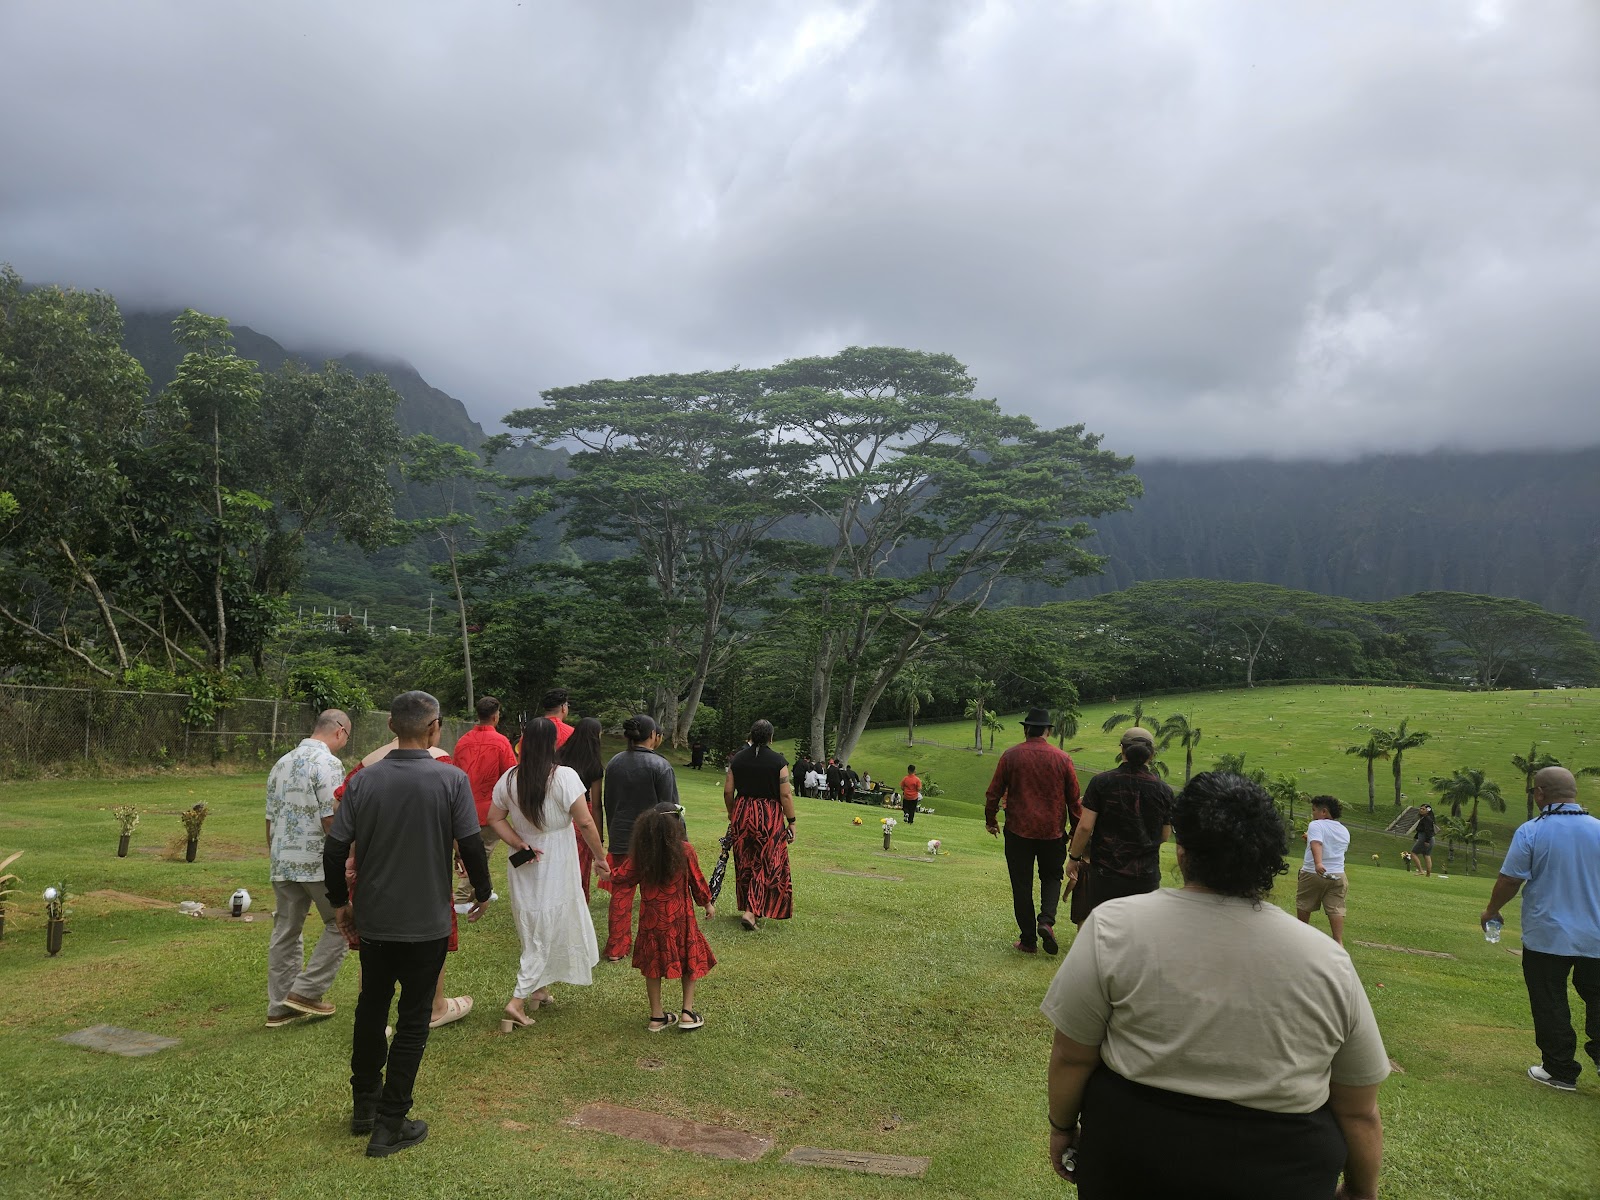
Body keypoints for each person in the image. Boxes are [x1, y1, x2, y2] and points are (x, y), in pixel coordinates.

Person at [1042, 772, 1388, 1199]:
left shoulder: (1114, 927)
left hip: (1132, 1158)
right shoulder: (1327, 960)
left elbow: (1072, 1056)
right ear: (1270, 856)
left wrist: (1062, 1128)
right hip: (1281, 1171)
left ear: (1182, 848)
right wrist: (1361, 1191)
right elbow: (1359, 1110)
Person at [323, 691, 492, 1157]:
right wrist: (482, 890)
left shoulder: (364, 780)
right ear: (435, 727)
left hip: (374, 917)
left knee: (371, 1008)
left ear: (391, 727)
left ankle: (365, 1104)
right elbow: (471, 843)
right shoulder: (451, 779)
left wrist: (340, 902)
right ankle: (391, 1122)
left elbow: (335, 848)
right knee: (413, 1020)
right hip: (426, 920)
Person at [338, 733, 476, 1030]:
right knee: (432, 937)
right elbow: (455, 817)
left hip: (374, 868)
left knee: (373, 945)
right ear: (431, 726)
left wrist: (353, 853)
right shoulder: (441, 761)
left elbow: (343, 810)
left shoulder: (368, 764)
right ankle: (435, 1006)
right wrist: (461, 855)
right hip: (426, 868)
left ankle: (376, 1019)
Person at [1480, 766, 1600, 1092]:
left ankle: (1560, 1069)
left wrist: (1492, 910)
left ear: (1540, 793)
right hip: (1596, 935)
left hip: (1548, 934)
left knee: (1549, 999)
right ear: (1574, 792)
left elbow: (1510, 879)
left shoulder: (1533, 831)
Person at [486, 717, 608, 1028]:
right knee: (545, 925)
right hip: (554, 858)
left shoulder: (510, 778)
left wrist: (519, 843)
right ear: (554, 743)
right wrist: (600, 857)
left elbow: (494, 818)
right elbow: (585, 822)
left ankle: (538, 989)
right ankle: (517, 999)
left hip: (526, 859)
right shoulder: (563, 776)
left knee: (535, 922)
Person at [264, 709, 351, 1027]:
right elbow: (332, 819)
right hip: (317, 861)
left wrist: (275, 855)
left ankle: (279, 1006)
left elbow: (270, 819)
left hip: (282, 859)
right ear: (340, 731)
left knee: (286, 931)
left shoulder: (281, 763)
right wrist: (348, 857)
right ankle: (306, 991)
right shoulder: (329, 763)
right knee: (342, 923)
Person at [607, 803, 716, 1030]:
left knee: (653, 965)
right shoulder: (685, 850)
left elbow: (623, 877)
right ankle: (687, 1013)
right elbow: (697, 881)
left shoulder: (642, 854)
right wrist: (707, 903)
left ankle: (657, 1017)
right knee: (690, 961)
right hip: (681, 919)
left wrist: (607, 872)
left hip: (651, 922)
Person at [985, 707, 1081, 955]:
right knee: (1052, 877)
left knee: (1021, 884)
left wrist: (991, 819)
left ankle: (1028, 940)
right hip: (1052, 832)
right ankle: (1046, 921)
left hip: (1018, 831)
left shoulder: (1011, 756)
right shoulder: (1063, 759)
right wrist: (1076, 829)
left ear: (1026, 729)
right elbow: (1074, 799)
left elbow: (994, 792)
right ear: (1048, 731)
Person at [1064, 727, 1171, 925]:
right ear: (1151, 754)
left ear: (1122, 750)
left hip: (1106, 873)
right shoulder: (1163, 790)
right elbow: (1165, 835)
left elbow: (1085, 827)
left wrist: (1074, 858)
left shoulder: (1101, 782)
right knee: (1138, 931)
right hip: (1145, 875)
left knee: (1106, 929)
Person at [602, 714, 680, 961]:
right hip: (652, 839)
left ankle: (616, 947)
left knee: (621, 892)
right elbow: (670, 808)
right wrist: (680, 840)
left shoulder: (614, 763)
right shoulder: (660, 766)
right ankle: (659, 942)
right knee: (657, 891)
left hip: (621, 835)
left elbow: (609, 802)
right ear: (653, 735)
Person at [723, 719, 797, 931]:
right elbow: (785, 795)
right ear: (770, 738)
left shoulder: (737, 759)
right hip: (768, 814)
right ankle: (751, 910)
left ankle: (750, 906)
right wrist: (791, 821)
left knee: (745, 860)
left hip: (742, 810)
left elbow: (728, 791)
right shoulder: (778, 762)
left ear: (751, 735)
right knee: (768, 862)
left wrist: (732, 813)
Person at [450, 695, 517, 903]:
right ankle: (462, 897)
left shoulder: (463, 741)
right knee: (481, 853)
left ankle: (485, 890)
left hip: (463, 806)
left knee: (473, 849)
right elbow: (510, 774)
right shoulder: (501, 742)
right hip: (489, 807)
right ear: (495, 716)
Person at [559, 717, 606, 901]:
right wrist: (598, 838)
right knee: (580, 867)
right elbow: (596, 805)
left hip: (559, 811)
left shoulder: (559, 755)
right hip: (582, 814)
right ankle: (578, 903)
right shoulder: (594, 765)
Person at [1297, 795, 1352, 946]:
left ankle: (1301, 939)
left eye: (1314, 810)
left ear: (1324, 812)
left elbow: (1317, 843)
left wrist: (1318, 863)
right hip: (1338, 875)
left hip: (1313, 873)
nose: (1313, 813)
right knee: (1336, 908)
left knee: (1304, 904)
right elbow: (1332, 848)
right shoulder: (1344, 830)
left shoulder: (1316, 825)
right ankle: (1338, 941)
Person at [1411, 803, 1436, 877]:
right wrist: (1416, 837)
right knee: (1426, 855)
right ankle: (1428, 874)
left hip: (1424, 839)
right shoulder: (1426, 818)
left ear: (1428, 811)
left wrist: (1426, 841)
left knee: (1413, 853)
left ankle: (1420, 870)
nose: (1421, 810)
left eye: (1423, 809)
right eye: (1421, 808)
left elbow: (1428, 830)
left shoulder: (1427, 819)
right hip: (1429, 839)